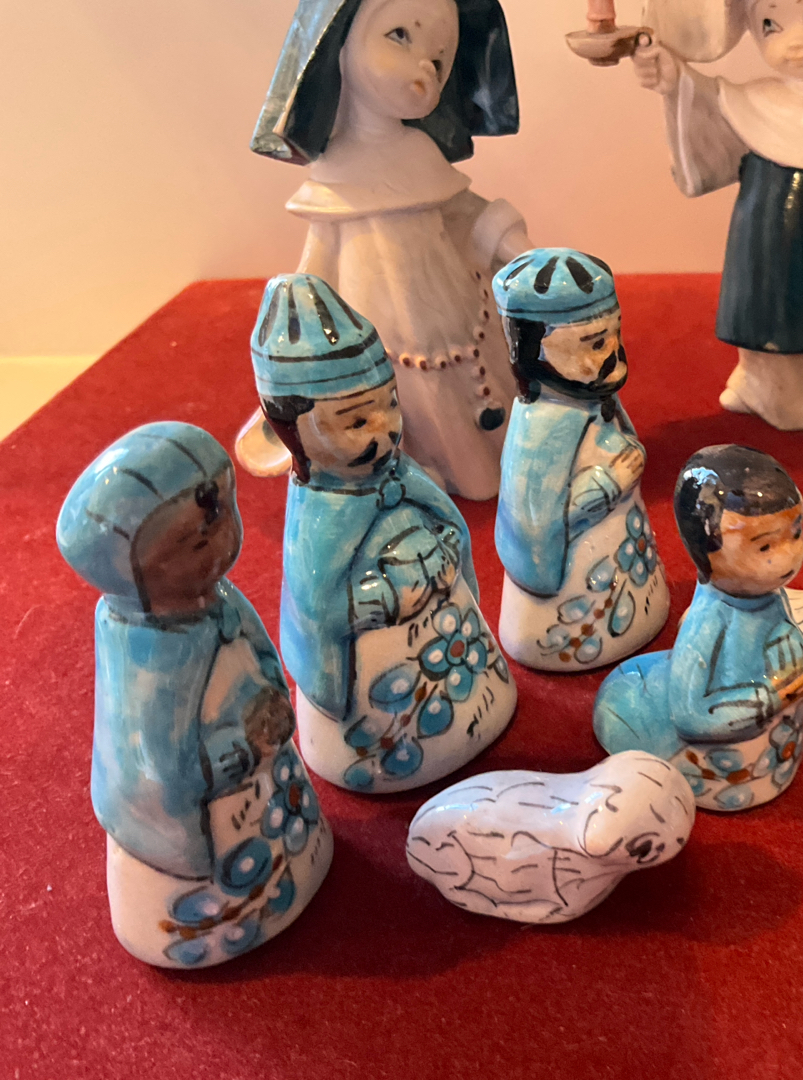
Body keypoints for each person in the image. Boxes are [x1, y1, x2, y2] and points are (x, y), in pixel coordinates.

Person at [57, 422, 331, 967]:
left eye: (227, 512)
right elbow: (152, 770)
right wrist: (238, 747)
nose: (224, 539)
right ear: (134, 573)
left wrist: (274, 705)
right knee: (235, 879)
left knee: (284, 835)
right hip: (219, 806)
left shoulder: (221, 601)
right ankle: (221, 926)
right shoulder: (148, 657)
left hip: (269, 780)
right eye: (196, 541)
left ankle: (299, 866)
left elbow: (262, 660)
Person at [239, 0, 534, 499]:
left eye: (439, 59)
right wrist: (303, 336)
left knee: (472, 396)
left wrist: (517, 246)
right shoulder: (337, 171)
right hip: (377, 332)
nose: (423, 67)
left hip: (456, 314)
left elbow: (464, 215)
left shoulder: (421, 154)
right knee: (397, 403)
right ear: (339, 43)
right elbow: (318, 266)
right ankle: (411, 465)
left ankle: (473, 462)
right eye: (399, 35)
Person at [252, 273, 516, 793]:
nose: (387, 428)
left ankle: (478, 710)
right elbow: (318, 605)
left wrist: (445, 552)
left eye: (390, 404)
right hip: (382, 671)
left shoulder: (406, 475)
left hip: (453, 639)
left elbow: (451, 525)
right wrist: (381, 597)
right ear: (293, 432)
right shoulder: (322, 517)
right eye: (355, 422)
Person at [629, 0, 803, 430]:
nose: (795, 41)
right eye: (771, 25)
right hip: (764, 247)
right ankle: (757, 386)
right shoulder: (751, 104)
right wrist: (670, 75)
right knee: (765, 327)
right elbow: (701, 97)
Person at [593, 446, 803, 811]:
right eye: (764, 546)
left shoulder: (770, 596)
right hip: (707, 753)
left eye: (795, 534)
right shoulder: (708, 622)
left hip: (771, 746)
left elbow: (785, 635)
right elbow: (691, 715)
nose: (789, 555)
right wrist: (771, 697)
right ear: (706, 553)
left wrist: (802, 660)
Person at [492, 249, 670, 670]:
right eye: (596, 343)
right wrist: (608, 483)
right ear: (537, 351)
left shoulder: (594, 396)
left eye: (614, 335)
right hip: (575, 589)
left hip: (624, 549)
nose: (614, 353)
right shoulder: (542, 428)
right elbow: (534, 521)